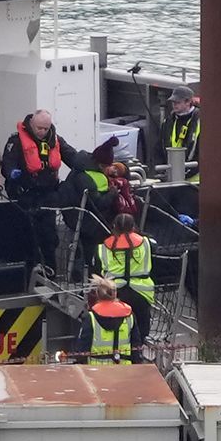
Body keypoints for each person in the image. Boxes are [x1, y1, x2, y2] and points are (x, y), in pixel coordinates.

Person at [2, 109, 78, 269]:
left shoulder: (55, 140)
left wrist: (89, 163)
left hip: (47, 196)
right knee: (28, 237)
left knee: (49, 238)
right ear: (31, 124)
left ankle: (51, 272)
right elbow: (7, 164)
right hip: (25, 196)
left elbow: (72, 157)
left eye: (46, 128)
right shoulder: (16, 141)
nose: (42, 132)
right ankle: (31, 273)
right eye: (39, 128)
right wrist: (12, 173)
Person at [58, 136, 120, 277]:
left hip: (76, 217)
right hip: (86, 222)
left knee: (78, 249)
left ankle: (81, 276)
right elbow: (97, 203)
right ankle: (89, 278)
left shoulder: (82, 166)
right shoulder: (89, 178)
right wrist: (112, 194)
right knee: (89, 253)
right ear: (101, 165)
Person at [97, 213, 154, 346]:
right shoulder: (146, 242)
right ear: (133, 226)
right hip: (142, 294)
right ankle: (137, 356)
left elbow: (96, 270)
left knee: (117, 333)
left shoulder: (103, 247)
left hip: (115, 294)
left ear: (114, 227)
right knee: (141, 334)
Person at [74, 275, 140, 365]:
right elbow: (136, 346)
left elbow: (82, 349)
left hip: (97, 372)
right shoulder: (129, 315)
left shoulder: (91, 317)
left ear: (98, 294)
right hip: (124, 370)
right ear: (115, 294)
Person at [156, 86, 200, 182]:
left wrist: (188, 172)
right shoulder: (168, 121)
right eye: (173, 102)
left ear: (188, 102)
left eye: (178, 102)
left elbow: (202, 153)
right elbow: (159, 146)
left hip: (194, 179)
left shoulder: (199, 121)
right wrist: (164, 172)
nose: (174, 105)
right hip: (171, 176)